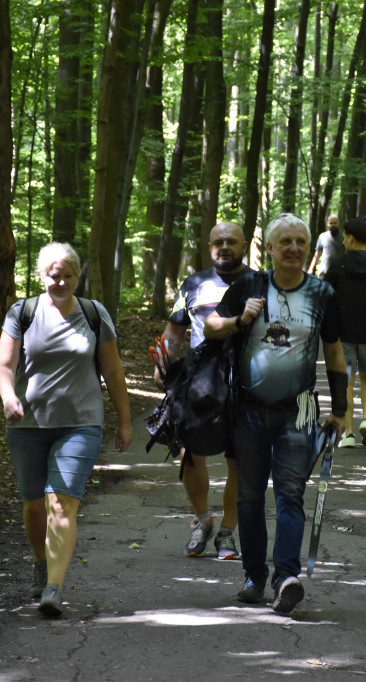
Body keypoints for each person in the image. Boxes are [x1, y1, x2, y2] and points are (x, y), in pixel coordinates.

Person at [205, 212, 348, 615]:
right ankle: (253, 576)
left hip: (299, 412)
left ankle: (286, 576)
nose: (294, 249)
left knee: (290, 495)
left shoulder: (322, 294)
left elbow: (335, 352)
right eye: (285, 242)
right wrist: (240, 318)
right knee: (249, 498)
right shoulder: (249, 285)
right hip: (248, 411)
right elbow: (211, 327)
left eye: (301, 242)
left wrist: (340, 410)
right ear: (268, 248)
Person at [0, 242, 134, 618]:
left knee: (62, 502)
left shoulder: (93, 313)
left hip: (80, 423)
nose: (60, 282)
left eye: (68, 275)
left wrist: (123, 420)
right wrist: (8, 396)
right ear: (42, 276)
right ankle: (40, 562)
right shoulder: (22, 313)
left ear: (77, 275)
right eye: (53, 276)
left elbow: (113, 371)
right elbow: (4, 367)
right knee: (34, 505)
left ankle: (53, 588)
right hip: (28, 424)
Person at [157, 222, 251, 560]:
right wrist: (162, 361)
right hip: (199, 380)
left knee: (238, 459)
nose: (224, 247)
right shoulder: (193, 283)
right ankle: (202, 519)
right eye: (218, 242)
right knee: (189, 452)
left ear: (245, 244)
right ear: (209, 246)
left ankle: (227, 532)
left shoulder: (258, 283)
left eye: (231, 242)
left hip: (245, 381)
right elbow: (174, 329)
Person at [324, 218, 366, 448]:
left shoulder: (338, 264)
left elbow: (327, 297)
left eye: (344, 237)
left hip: (344, 331)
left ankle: (350, 433)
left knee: (347, 380)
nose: (343, 241)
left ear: (351, 238)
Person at [306, 213, 343, 278]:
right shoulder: (322, 236)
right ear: (327, 223)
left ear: (339, 223)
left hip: (340, 273)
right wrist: (311, 268)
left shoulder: (344, 237)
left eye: (335, 223)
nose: (333, 225)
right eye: (331, 223)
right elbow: (317, 254)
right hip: (324, 272)